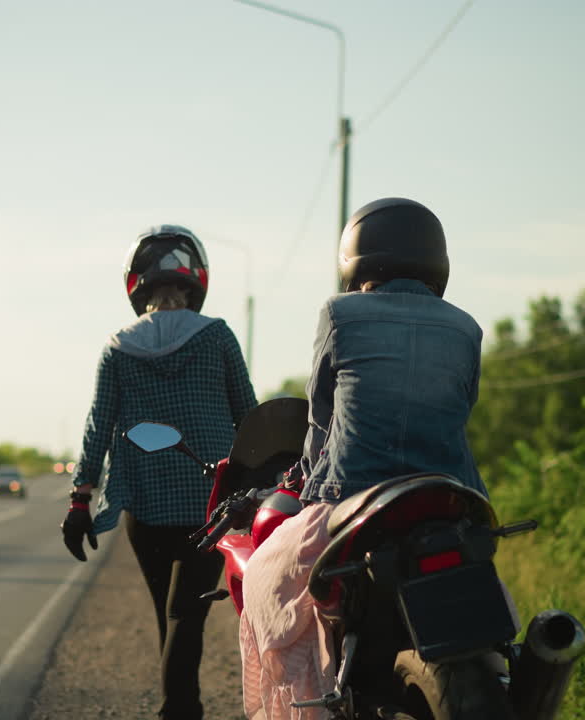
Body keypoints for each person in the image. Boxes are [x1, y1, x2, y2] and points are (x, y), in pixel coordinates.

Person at [239, 198, 491, 719]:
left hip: (352, 499)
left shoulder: (339, 313)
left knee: (263, 574)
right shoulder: (467, 328)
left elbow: (321, 420)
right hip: (449, 499)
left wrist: (307, 484)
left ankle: (304, 705)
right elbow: (461, 409)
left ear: (355, 258)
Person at [61, 223, 258, 720]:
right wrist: (265, 481)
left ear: (137, 285)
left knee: (167, 615)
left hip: (144, 506)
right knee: (185, 616)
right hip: (210, 503)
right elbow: (249, 416)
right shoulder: (218, 337)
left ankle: (180, 708)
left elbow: (98, 426)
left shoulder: (118, 348)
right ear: (196, 281)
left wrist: (81, 499)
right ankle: (181, 709)